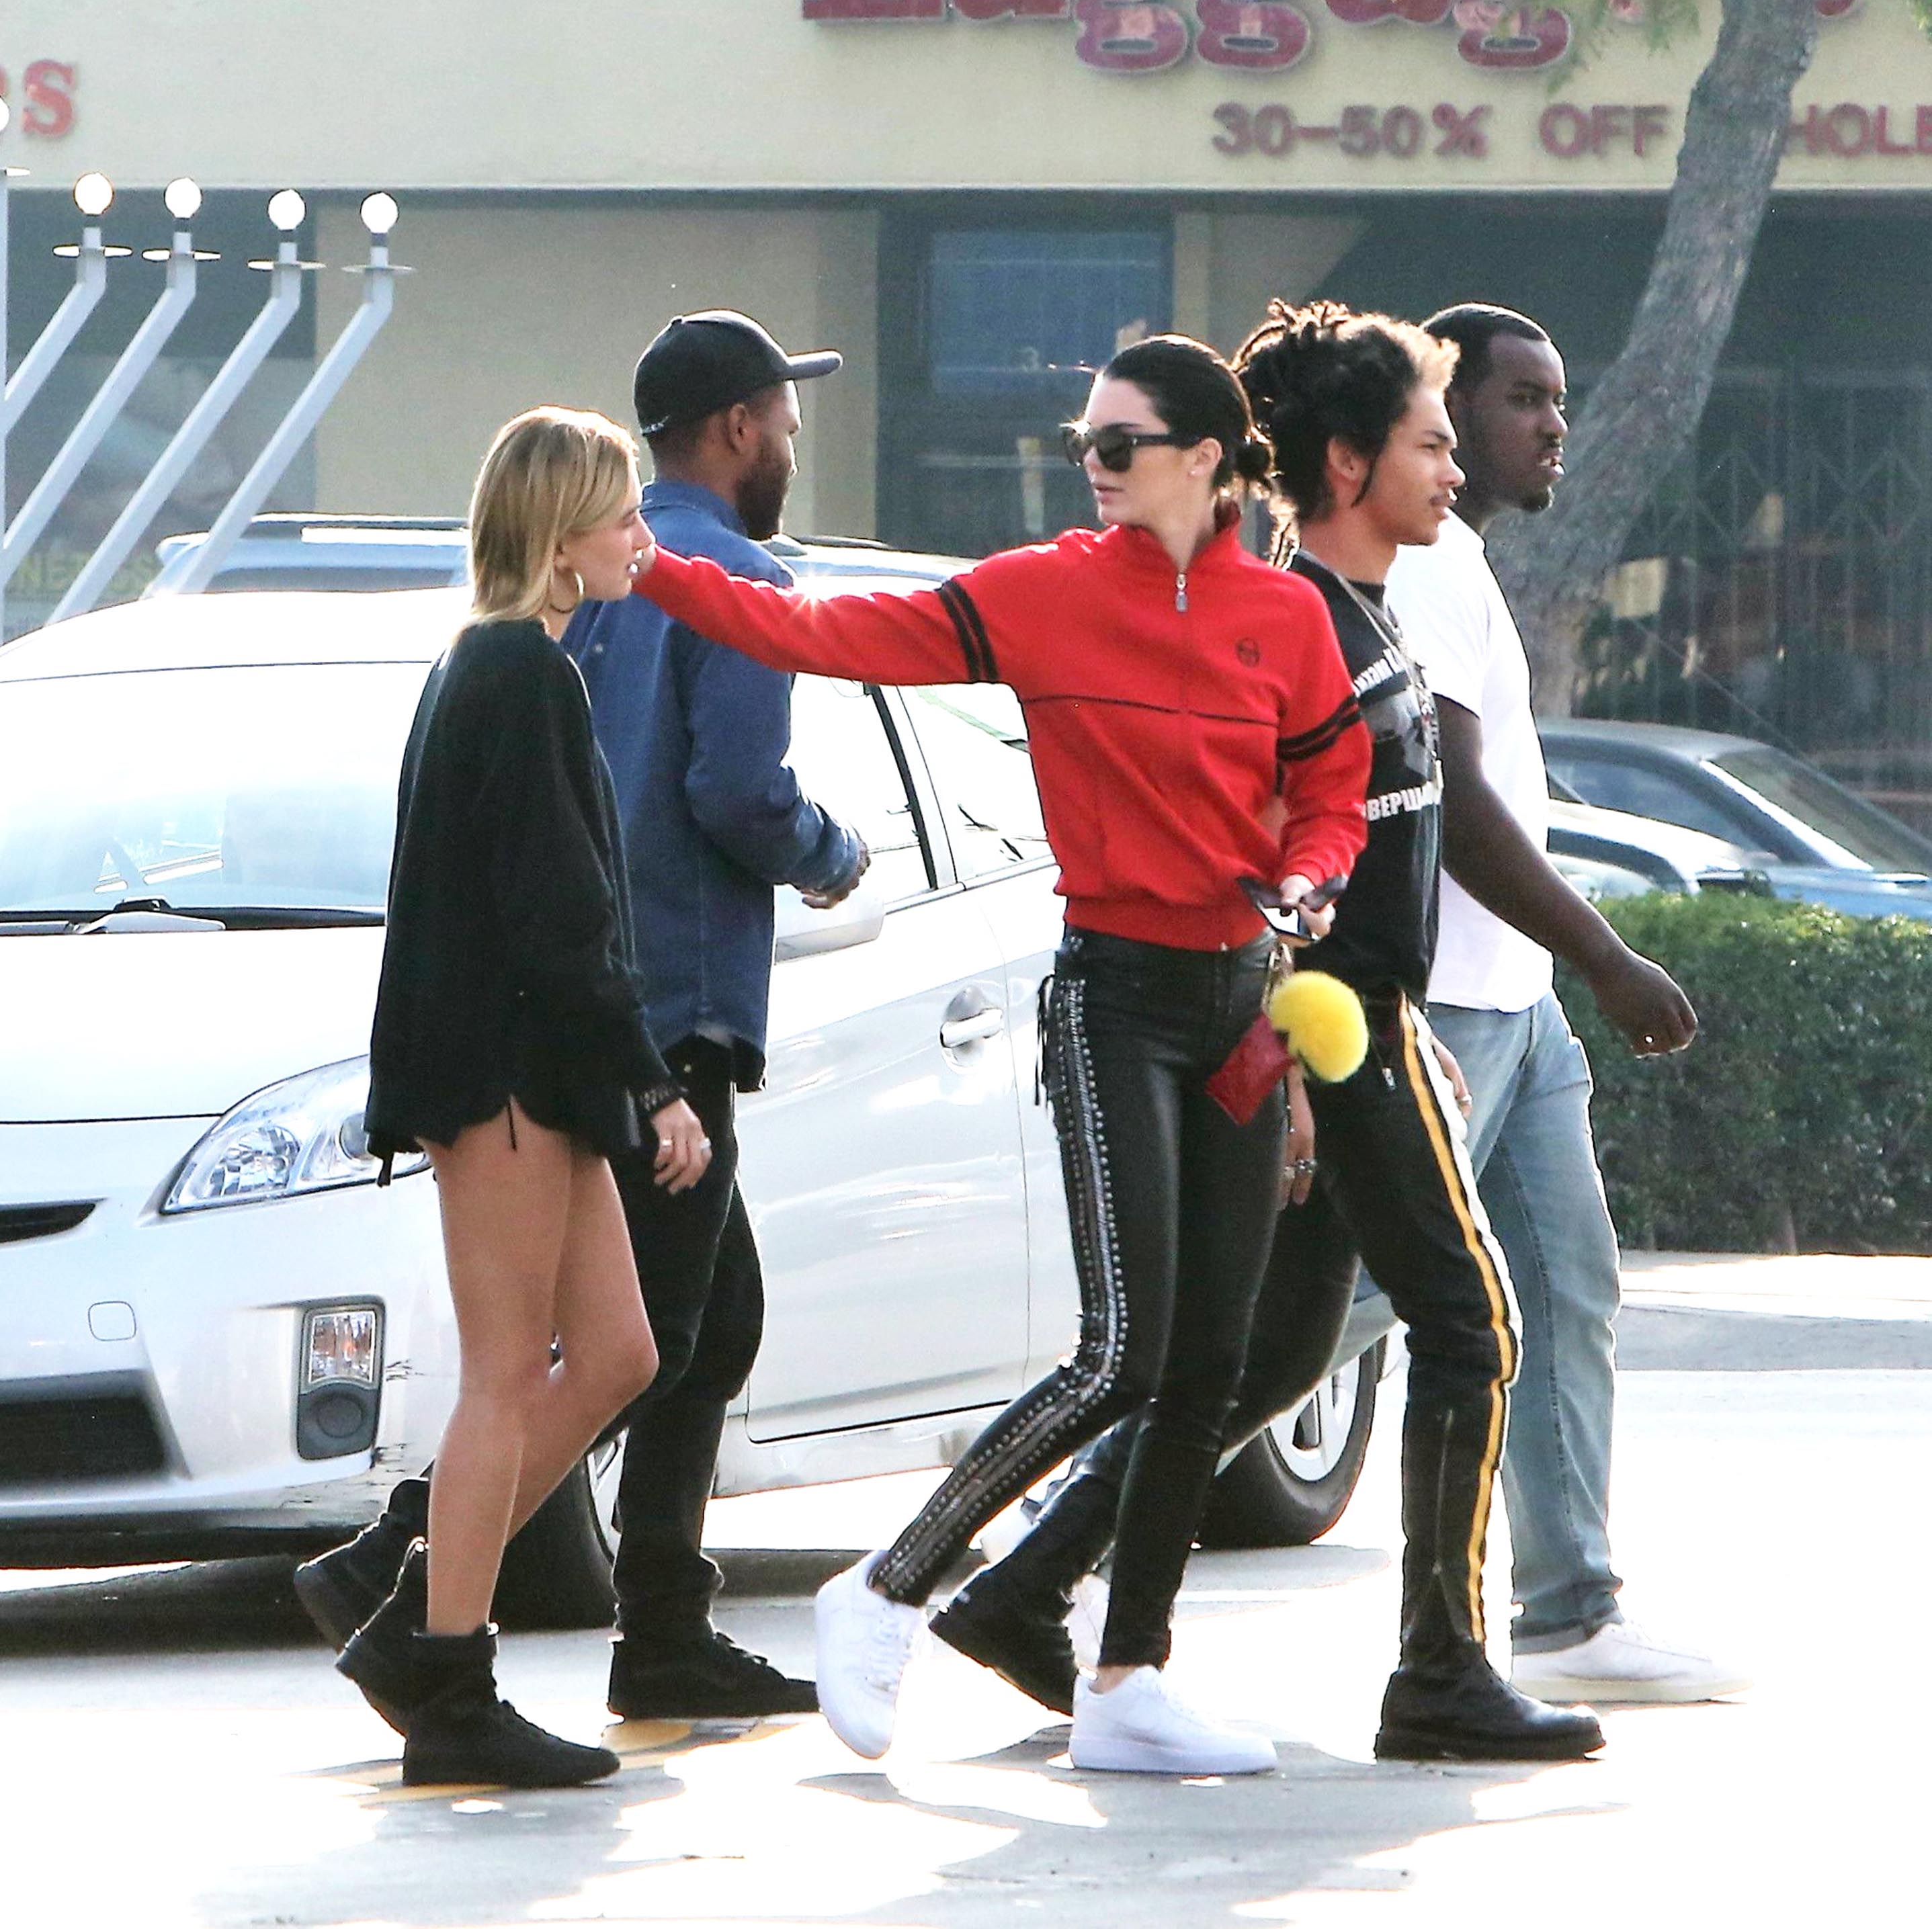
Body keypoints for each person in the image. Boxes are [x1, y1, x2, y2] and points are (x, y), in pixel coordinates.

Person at [630, 334, 1374, 1774]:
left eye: (1116, 445)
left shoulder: (1285, 616)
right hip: (1115, 1000)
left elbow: (1332, 786)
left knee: (1208, 1364)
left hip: (1243, 1004)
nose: (1088, 465)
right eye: (1083, 441)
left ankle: (1130, 1679)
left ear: (1205, 460)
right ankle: (885, 1587)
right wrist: (654, 571)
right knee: (1122, 1354)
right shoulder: (1043, 592)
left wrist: (1313, 873)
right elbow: (816, 634)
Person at [946, 302, 1605, 1763]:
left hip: (1350, 1025)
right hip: (1320, 1028)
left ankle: (1023, 1591)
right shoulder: (1303, 620)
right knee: (1471, 1320)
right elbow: (1255, 859)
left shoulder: (1364, 607)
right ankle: (1440, 1672)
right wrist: (1299, 1060)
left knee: (1275, 1353)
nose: (1453, 468)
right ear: (1345, 463)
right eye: (1430, 442)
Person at [323, 406, 710, 1788]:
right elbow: (562, 917)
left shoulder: (497, 665)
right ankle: (448, 1676)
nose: (640, 538)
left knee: (617, 1354)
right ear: (559, 538)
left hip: (529, 1074)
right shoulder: (518, 675)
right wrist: (653, 1084)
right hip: (503, 1079)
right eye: (621, 515)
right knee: (504, 1376)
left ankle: (411, 1618)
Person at [1382, 303, 1746, 1703]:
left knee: (1562, 1291)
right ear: (1445, 414)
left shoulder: (1463, 560)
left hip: (1514, 1010)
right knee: (1317, 1320)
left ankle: (1572, 1614)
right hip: (1447, 1011)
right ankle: (1050, 1564)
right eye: (1523, 399)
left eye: (1559, 398)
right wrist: (1607, 957)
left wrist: (1563, 975)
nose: (1555, 426)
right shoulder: (1425, 566)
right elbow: (1454, 807)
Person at [562, 311, 868, 1719]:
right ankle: (405, 1557)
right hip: (680, 1004)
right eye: (784, 419)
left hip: (582, 994)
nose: (793, 440)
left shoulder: (587, 572)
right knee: (658, 1332)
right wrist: (829, 853)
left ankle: (664, 1624)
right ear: (738, 427)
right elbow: (737, 795)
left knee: (705, 1317)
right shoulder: (738, 580)